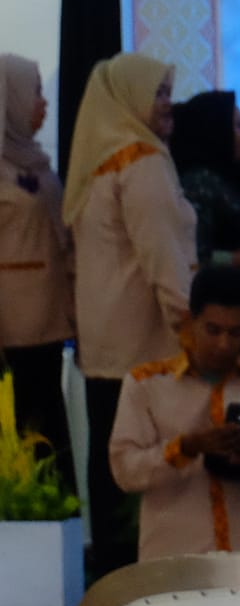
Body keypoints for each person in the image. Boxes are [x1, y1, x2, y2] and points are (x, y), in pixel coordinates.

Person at [64, 53, 198, 571]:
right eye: (157, 93)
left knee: (111, 459)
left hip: (107, 343)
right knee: (142, 464)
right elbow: (162, 254)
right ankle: (146, 577)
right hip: (147, 341)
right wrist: (191, 328)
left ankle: (115, 578)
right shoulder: (140, 161)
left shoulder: (99, 160)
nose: (167, 104)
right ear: (128, 97)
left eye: (167, 92)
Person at [108, 265, 240, 558]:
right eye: (213, 330)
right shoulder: (145, 384)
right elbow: (125, 471)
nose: (223, 344)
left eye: (236, 332)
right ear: (190, 320)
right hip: (173, 560)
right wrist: (187, 447)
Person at [0, 54, 75, 485]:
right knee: (24, 431)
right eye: (35, 94)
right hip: (12, 329)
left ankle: (56, 512)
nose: (44, 104)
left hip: (48, 322)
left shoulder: (37, 163)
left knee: (48, 423)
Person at [169, 90, 240, 279]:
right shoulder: (198, 184)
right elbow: (196, 258)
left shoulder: (226, 179)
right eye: (238, 127)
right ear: (217, 131)